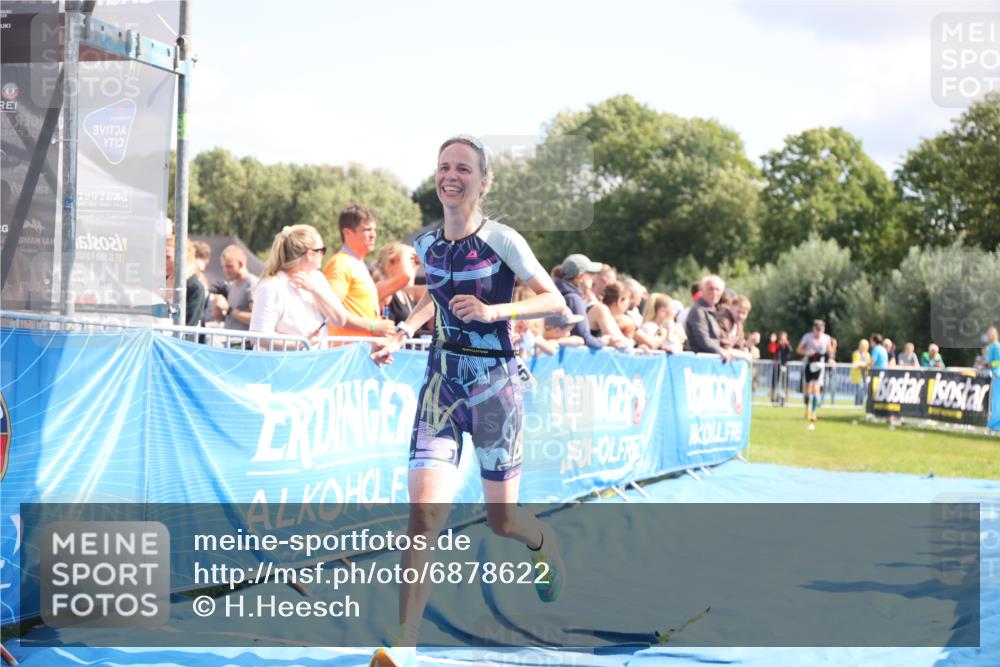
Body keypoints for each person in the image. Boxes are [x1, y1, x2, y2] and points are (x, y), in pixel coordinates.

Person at [369, 135, 566, 667]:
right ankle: (404, 646)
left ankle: (540, 539)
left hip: (496, 385)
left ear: (483, 181)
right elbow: (433, 301)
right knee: (425, 512)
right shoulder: (426, 244)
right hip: (441, 384)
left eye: (462, 168)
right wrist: (401, 333)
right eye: (443, 167)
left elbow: (555, 302)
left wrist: (493, 312)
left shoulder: (503, 239)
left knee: (503, 521)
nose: (450, 175)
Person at [249, 224, 373, 350]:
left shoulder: (317, 279)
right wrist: (302, 344)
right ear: (309, 254)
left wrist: (314, 290)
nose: (324, 255)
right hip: (281, 366)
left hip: (315, 364)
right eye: (322, 250)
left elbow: (340, 319)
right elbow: (258, 337)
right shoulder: (271, 286)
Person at [323, 204, 397, 338]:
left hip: (361, 352)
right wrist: (374, 327)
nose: (373, 235)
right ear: (347, 233)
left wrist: (379, 325)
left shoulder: (358, 263)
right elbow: (331, 312)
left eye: (374, 229)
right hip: (347, 353)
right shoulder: (340, 263)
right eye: (367, 229)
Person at [553, 255, 612, 350]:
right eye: (591, 274)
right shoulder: (574, 298)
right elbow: (583, 335)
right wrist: (601, 342)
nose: (593, 278)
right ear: (580, 276)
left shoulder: (560, 292)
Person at [212, 245, 259, 346]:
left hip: (244, 344)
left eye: (229, 266)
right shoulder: (232, 285)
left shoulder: (252, 284)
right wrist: (219, 313)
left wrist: (229, 309)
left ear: (241, 264)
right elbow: (230, 316)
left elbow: (255, 318)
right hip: (229, 342)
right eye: (223, 266)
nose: (225, 270)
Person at [683, 275, 732, 361]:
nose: (714, 292)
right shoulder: (698, 311)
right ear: (702, 290)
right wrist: (720, 351)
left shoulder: (712, 311)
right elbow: (702, 339)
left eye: (717, 290)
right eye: (710, 288)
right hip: (698, 363)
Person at [375, 241, 420, 325]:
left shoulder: (406, 292)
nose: (413, 265)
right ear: (391, 262)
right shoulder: (380, 288)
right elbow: (406, 276)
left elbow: (433, 289)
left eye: (415, 262)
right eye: (409, 259)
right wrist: (405, 250)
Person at [797, 319, 831, 429]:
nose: (818, 332)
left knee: (816, 387)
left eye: (820, 330)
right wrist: (807, 352)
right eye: (817, 330)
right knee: (808, 387)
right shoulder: (807, 337)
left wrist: (831, 358)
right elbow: (798, 349)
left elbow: (830, 351)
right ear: (813, 329)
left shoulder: (826, 338)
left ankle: (814, 412)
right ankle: (807, 408)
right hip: (808, 364)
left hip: (819, 366)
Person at [587, 280, 635, 347]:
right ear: (619, 300)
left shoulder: (604, 312)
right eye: (628, 300)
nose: (628, 304)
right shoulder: (601, 309)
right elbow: (618, 342)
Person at [771, 331, 792, 405]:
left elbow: (790, 351)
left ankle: (786, 398)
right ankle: (773, 398)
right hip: (777, 365)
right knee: (774, 382)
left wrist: (786, 344)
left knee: (785, 383)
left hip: (785, 366)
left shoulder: (787, 344)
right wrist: (773, 342)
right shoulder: (776, 344)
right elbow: (772, 350)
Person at [850, 339, 872, 406]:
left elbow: (869, 363)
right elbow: (856, 363)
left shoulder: (867, 354)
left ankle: (860, 404)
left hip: (865, 375)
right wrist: (864, 364)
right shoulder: (856, 353)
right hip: (858, 375)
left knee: (863, 390)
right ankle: (857, 404)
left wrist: (863, 364)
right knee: (858, 391)